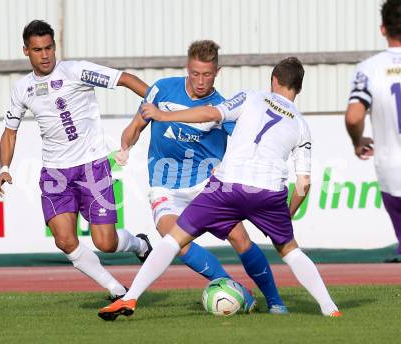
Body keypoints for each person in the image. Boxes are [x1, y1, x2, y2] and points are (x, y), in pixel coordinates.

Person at [99, 57, 342, 320]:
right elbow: (304, 183)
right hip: (269, 192)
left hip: (228, 186)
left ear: (273, 80)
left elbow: (211, 113)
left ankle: (130, 297)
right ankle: (325, 308)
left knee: (173, 239)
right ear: (299, 88)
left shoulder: (251, 97)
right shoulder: (301, 125)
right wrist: (287, 215)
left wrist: (164, 115)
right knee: (291, 252)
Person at [113, 40, 285, 314]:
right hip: (165, 185)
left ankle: (276, 302)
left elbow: (248, 144)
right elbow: (135, 126)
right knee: (174, 240)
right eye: (195, 73)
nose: (201, 80)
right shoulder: (162, 89)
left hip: (206, 185)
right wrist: (125, 147)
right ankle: (233, 287)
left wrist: (230, 165)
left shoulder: (221, 107)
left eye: (207, 74)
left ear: (218, 71)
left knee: (240, 238)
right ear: (187, 68)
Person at [0, 20, 152, 300]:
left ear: (55, 47)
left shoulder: (76, 71)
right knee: (65, 240)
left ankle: (139, 245)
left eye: (49, 48)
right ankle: (116, 289)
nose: (45, 55)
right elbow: (10, 131)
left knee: (106, 242)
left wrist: (159, 103)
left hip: (92, 167)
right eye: (37, 49)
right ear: (26, 51)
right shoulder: (22, 89)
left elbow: (124, 79)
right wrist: (4, 168)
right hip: (55, 173)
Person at [345, 0, 401, 263]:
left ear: (383, 29)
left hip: (392, 171)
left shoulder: (370, 68)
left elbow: (355, 116)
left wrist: (358, 142)